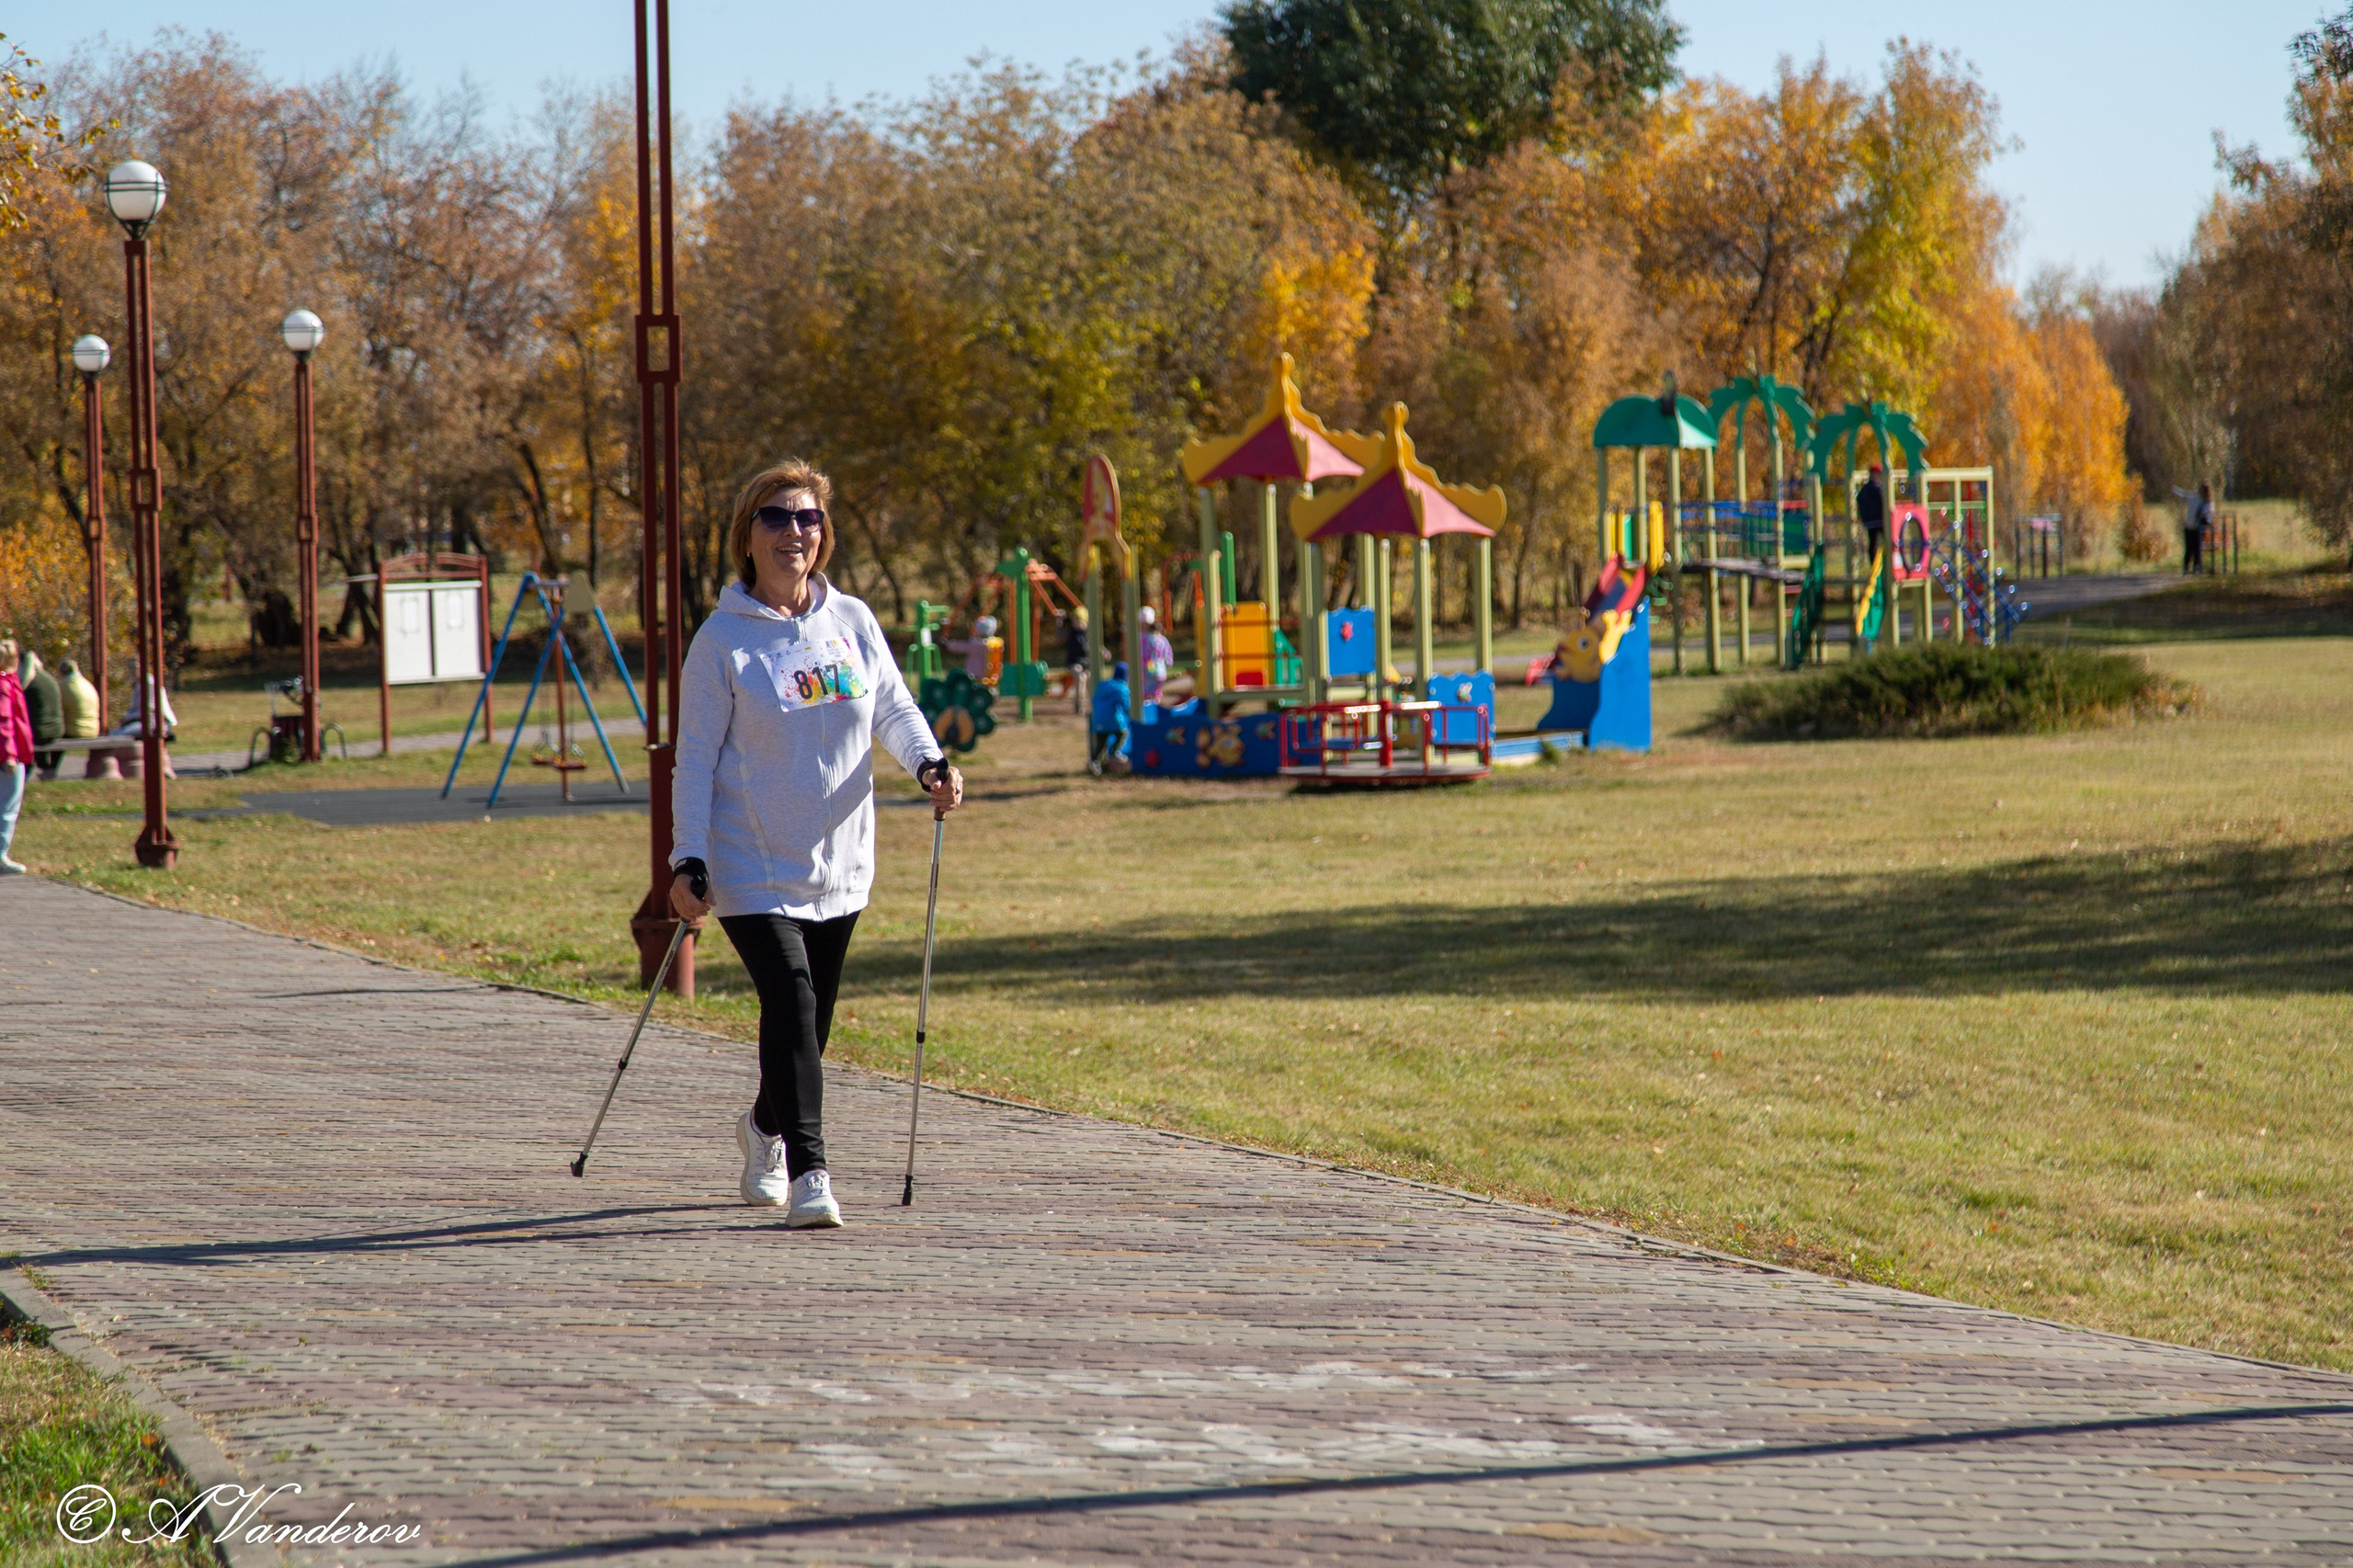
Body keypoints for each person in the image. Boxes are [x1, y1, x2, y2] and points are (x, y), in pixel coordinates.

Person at [667, 459, 963, 1231]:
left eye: (807, 518)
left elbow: (892, 709)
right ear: (748, 534)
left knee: (812, 1023)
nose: (794, 530)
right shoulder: (723, 640)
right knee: (792, 1002)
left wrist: (930, 762)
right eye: (776, 516)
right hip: (749, 861)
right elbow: (693, 756)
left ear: (823, 534)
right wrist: (687, 858)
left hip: (840, 859)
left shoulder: (853, 621)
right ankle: (811, 1172)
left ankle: (764, 1129)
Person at [0, 641, 32, 873]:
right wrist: (10, 755)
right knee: (7, 806)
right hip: (8, 757)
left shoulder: (9, 681)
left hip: (9, 753)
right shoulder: (4, 684)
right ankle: (0, 854)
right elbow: (5, 722)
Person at [18, 649, 62, 781]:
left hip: (39, 732)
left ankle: (23, 774)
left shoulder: (27, 680)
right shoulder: (47, 677)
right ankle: (45, 768)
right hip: (56, 729)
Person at [1088, 659, 1131, 777]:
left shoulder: (1103, 685)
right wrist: (1130, 714)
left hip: (1098, 720)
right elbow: (1125, 704)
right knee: (1122, 733)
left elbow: (1095, 700)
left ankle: (1095, 762)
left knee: (1101, 743)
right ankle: (1114, 752)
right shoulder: (1122, 687)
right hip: (1113, 720)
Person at [2172, 483, 2212, 574]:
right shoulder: (2193, 498)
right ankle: (2187, 567)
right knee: (2189, 548)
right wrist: (2173, 488)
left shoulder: (2207, 503)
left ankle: (2196, 567)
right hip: (2189, 527)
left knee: (2197, 549)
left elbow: (2208, 516)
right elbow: (2182, 494)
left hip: (2198, 528)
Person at [1138, 605, 1175, 706]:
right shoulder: (1163, 640)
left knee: (1145, 690)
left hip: (1147, 668)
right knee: (1157, 690)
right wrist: (1168, 663)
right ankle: (1156, 704)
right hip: (1160, 668)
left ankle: (1147, 707)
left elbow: (1142, 653)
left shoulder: (1143, 639)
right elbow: (1168, 653)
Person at [1855, 464, 1888, 565]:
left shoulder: (1865, 489)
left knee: (1873, 542)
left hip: (1870, 521)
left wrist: (1863, 516)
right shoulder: (1877, 488)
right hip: (1879, 520)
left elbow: (1859, 501)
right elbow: (1884, 501)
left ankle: (1874, 563)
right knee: (1884, 541)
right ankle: (1882, 563)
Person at [1063, 607, 1088, 715]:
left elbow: (1097, 646)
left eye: (1079, 621)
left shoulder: (1089, 634)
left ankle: (1096, 705)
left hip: (1086, 664)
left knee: (1091, 679)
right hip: (1074, 663)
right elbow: (1060, 634)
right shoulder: (1071, 633)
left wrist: (1104, 652)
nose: (1077, 624)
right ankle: (1079, 705)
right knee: (1080, 677)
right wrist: (1059, 621)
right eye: (1075, 621)